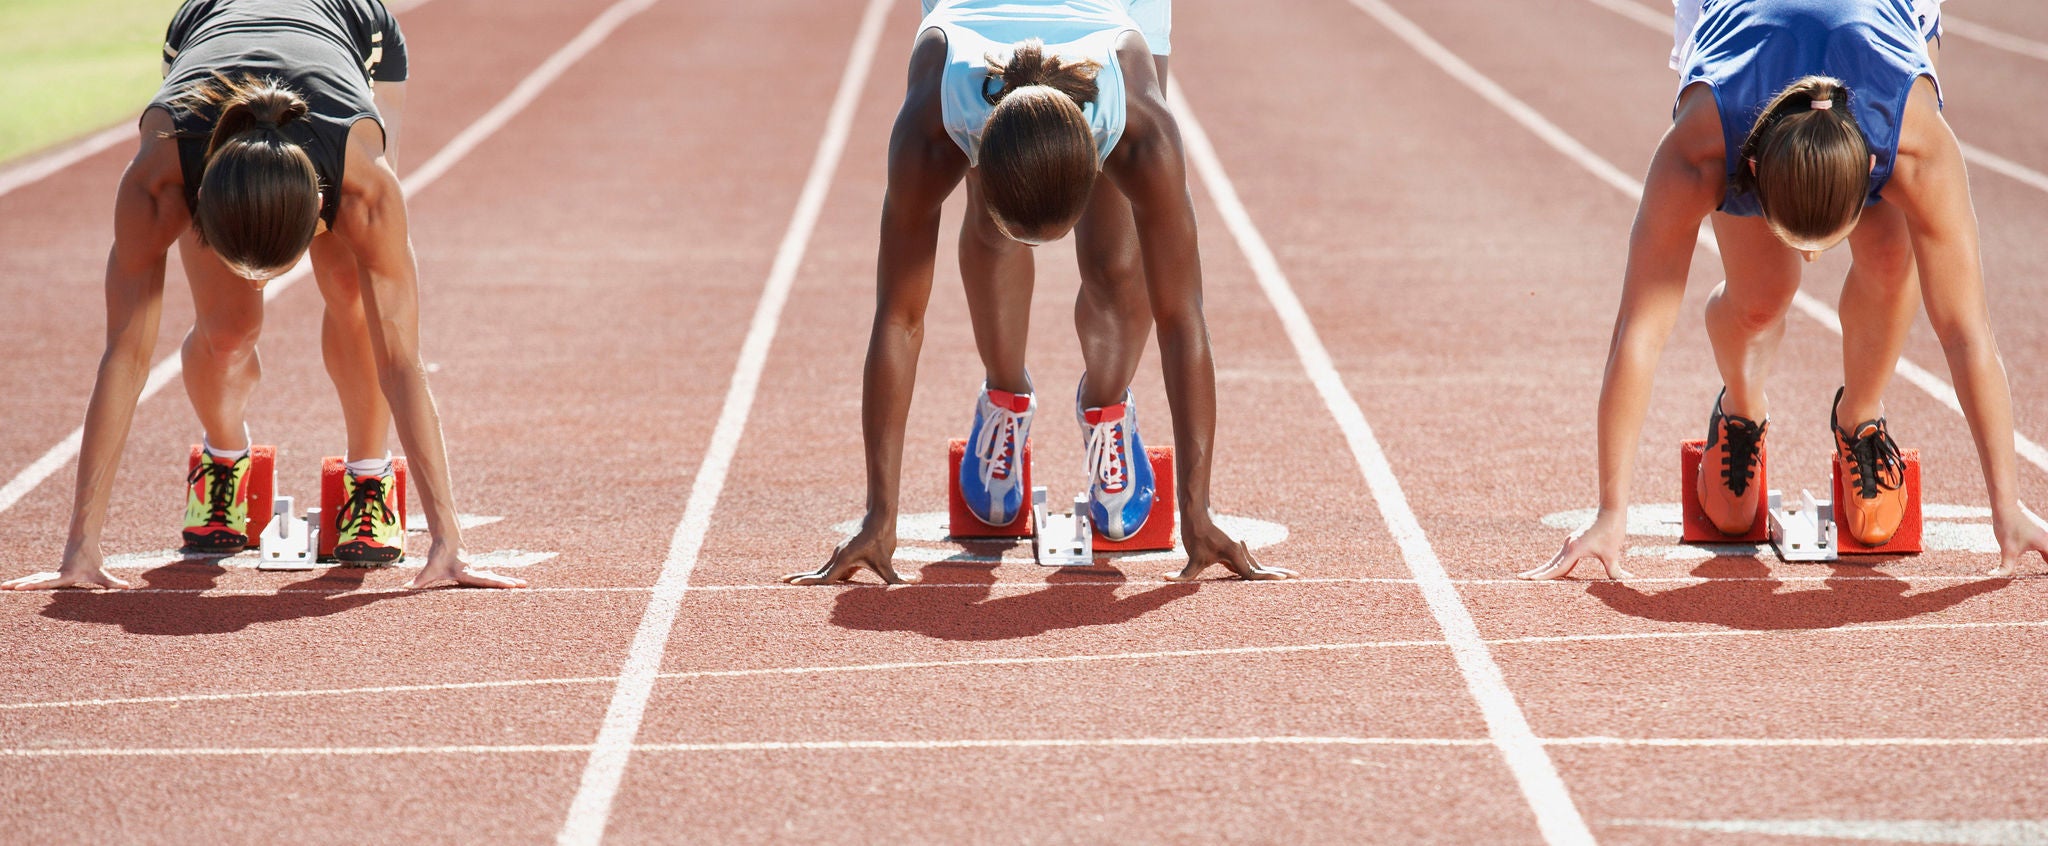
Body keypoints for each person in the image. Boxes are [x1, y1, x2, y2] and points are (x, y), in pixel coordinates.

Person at [3, 0, 524, 590]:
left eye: (272, 269)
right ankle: (225, 461)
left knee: (354, 285)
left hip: (352, 30)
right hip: (208, 27)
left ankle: (368, 477)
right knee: (227, 330)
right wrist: (80, 549)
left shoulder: (362, 186)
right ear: (200, 207)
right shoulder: (161, 174)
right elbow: (124, 355)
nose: (260, 283)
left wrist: (449, 541)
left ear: (319, 211)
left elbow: (402, 360)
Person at [1526, 0, 2048, 580]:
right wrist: (1610, 511)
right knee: (1761, 295)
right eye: (1796, 236)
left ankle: (1861, 420)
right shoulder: (1702, 148)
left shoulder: (1913, 145)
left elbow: (1965, 329)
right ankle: (1741, 410)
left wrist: (2009, 506)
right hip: (1742, 45)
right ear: (1750, 173)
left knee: (1890, 253)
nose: (1812, 257)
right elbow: (1640, 329)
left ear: (1872, 168)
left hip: (1876, 38)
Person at [784, 0, 1292, 585]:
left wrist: (1199, 512)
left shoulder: (1139, 128)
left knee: (1117, 255)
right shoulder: (934, 120)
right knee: (994, 235)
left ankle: (1109, 409)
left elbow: (1181, 315)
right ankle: (1004, 398)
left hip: (1109, 12)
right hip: (974, 22)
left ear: (1099, 149)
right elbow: (898, 316)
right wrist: (880, 514)